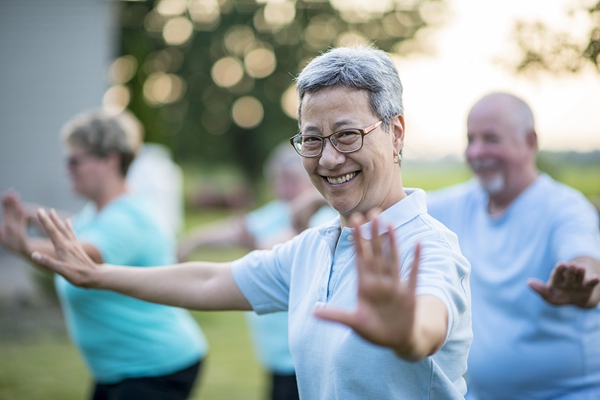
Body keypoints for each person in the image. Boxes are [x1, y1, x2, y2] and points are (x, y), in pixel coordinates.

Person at [31, 46, 472, 399]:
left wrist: (406, 334)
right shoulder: (315, 247)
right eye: (313, 139)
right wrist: (97, 274)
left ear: (395, 133)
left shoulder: (428, 245)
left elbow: (428, 325)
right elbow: (208, 281)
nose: (329, 158)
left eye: (347, 134)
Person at [0, 110, 208, 400]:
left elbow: (85, 255)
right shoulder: (100, 211)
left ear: (110, 161)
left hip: (155, 366)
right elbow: (79, 228)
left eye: (75, 160)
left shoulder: (129, 218)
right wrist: (35, 215)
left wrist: (23, 246)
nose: (67, 169)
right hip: (120, 370)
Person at [427, 92, 600, 399]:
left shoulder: (563, 207)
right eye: (471, 139)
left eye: (491, 139)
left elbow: (584, 257)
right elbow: (395, 206)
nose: (477, 152)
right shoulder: (459, 204)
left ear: (530, 141)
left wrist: (583, 286)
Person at [178, 142, 337, 400]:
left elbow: (287, 245)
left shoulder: (322, 216)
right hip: (276, 354)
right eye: (279, 180)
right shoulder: (274, 213)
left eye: (291, 180)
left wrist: (255, 245)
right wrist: (192, 241)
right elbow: (236, 229)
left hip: (304, 356)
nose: (284, 188)